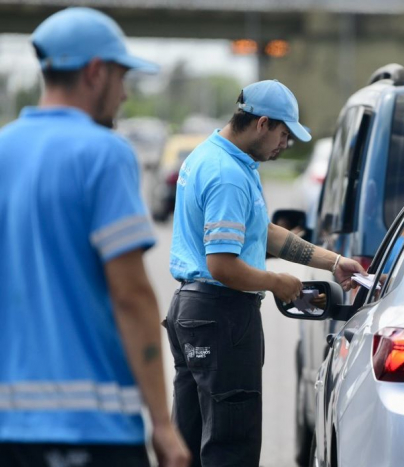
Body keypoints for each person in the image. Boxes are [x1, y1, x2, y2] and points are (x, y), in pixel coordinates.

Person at [0, 7, 190, 467]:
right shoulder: (103, 153)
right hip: (93, 428)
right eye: (122, 77)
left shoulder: (4, 149)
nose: (124, 94)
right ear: (94, 71)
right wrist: (163, 425)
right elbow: (130, 295)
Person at [165, 79, 367, 467]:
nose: (285, 145)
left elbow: (265, 233)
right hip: (222, 315)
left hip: (191, 312)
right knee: (230, 446)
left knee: (188, 443)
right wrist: (279, 283)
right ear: (262, 123)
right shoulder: (228, 176)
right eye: (284, 134)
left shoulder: (213, 156)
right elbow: (222, 266)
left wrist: (333, 262)